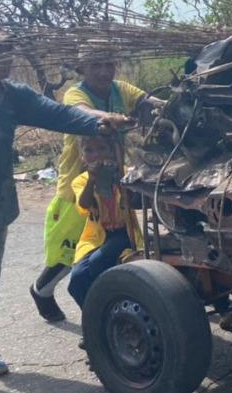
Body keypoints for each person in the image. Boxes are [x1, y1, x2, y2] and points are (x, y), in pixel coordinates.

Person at [0, 23, 131, 390]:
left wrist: (101, 122)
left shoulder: (11, 95)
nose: (7, 58)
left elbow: (59, 114)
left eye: (9, 50)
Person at [31, 50, 147, 323]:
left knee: (111, 248)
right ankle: (42, 291)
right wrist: (108, 117)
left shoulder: (121, 89)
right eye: (96, 65)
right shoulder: (75, 93)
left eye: (109, 64)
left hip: (113, 184)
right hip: (77, 187)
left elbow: (146, 101)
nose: (105, 71)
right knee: (68, 253)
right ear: (83, 67)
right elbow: (82, 112)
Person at [66, 135, 142, 309]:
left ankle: (107, 309)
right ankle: (94, 320)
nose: (96, 155)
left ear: (112, 152)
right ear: (82, 156)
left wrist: (118, 179)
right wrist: (92, 179)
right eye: (89, 150)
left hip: (125, 234)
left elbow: (135, 203)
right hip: (97, 237)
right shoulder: (81, 180)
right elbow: (83, 205)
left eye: (102, 149)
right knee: (76, 280)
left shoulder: (125, 172)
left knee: (97, 263)